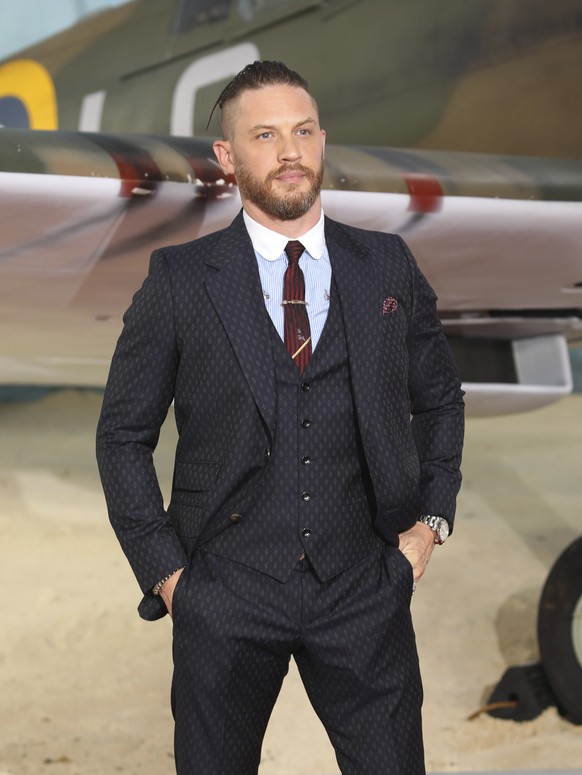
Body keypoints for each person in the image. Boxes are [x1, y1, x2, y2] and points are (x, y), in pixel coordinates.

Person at [96, 60, 464, 775]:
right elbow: (121, 436)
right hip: (223, 593)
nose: (289, 151)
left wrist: (430, 524)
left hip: (364, 586)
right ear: (228, 158)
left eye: (302, 131)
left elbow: (442, 398)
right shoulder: (179, 280)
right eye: (265, 135)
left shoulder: (386, 265)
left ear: (323, 140)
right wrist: (169, 575)